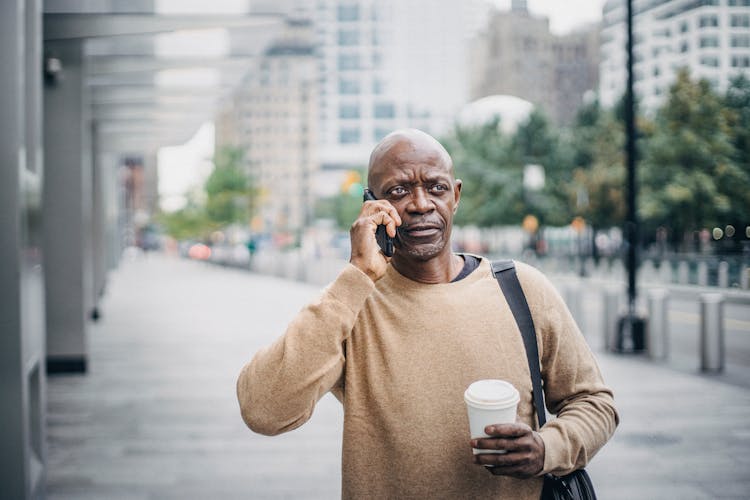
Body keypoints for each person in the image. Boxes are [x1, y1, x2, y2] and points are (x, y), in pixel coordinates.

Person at [236, 129, 618, 499]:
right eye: (398, 191)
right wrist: (356, 276)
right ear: (371, 204)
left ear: (455, 196)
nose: (420, 204)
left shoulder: (522, 289)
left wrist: (547, 449)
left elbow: (594, 404)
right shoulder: (351, 304)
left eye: (435, 187)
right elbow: (264, 410)